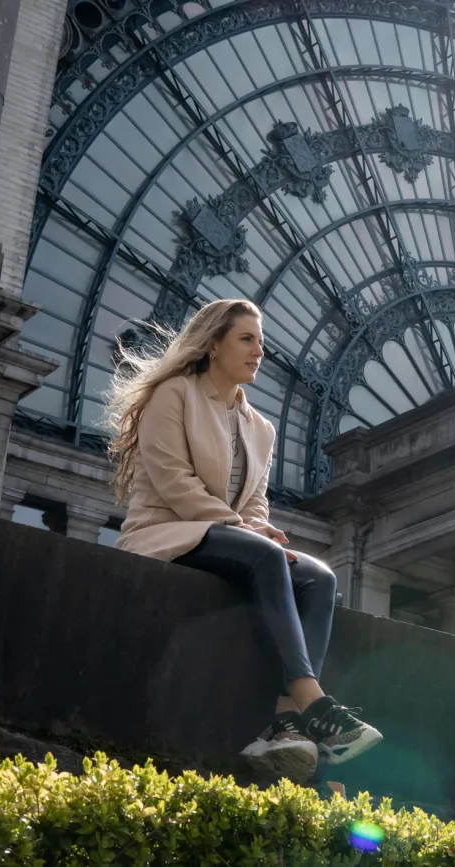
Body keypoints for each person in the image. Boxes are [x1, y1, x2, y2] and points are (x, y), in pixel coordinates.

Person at [103, 298, 381, 784]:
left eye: (262, 342)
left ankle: (284, 724)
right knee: (267, 554)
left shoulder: (261, 428)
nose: (259, 351)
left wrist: (254, 525)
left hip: (229, 539)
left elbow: (254, 502)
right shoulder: (174, 395)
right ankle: (314, 703)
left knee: (319, 576)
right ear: (213, 345)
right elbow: (175, 484)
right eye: (246, 339)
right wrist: (246, 529)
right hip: (166, 534)